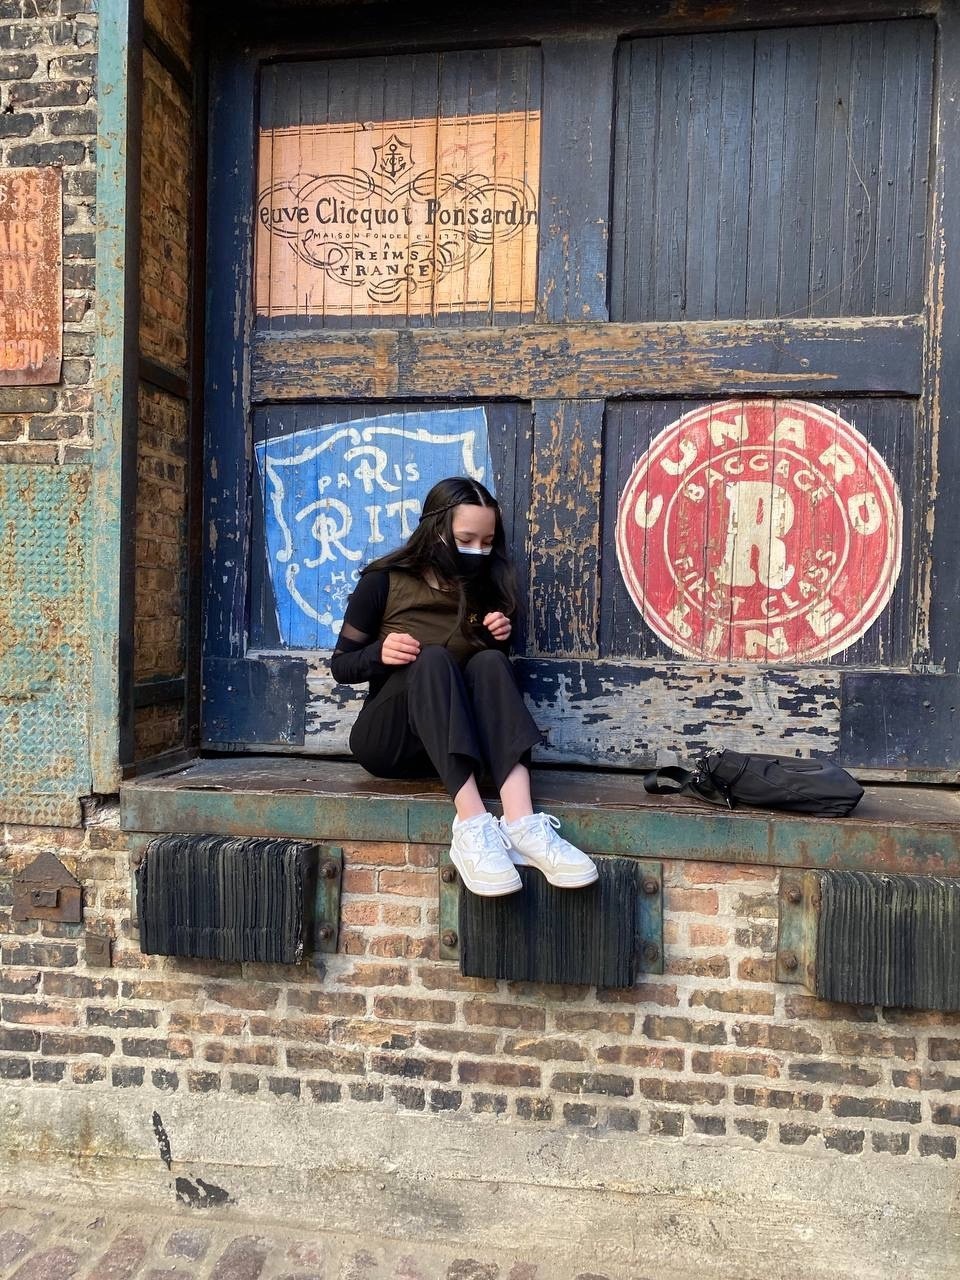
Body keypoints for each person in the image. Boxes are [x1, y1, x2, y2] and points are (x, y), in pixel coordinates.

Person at [329, 476, 598, 897]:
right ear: (436, 530)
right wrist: (378, 653)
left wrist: (497, 639)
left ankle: (522, 824)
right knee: (433, 658)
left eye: (487, 542)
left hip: (461, 747)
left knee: (491, 662)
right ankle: (472, 826)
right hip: (392, 742)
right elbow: (341, 666)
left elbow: (483, 684)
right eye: (465, 539)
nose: (478, 550)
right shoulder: (383, 581)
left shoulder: (486, 586)